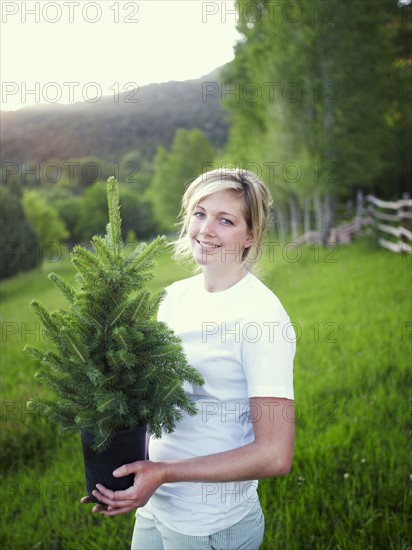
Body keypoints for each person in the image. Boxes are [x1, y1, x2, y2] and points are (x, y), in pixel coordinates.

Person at [81, 168, 296, 549]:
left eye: (225, 219)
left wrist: (163, 472)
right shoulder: (174, 298)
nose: (206, 229)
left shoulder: (261, 318)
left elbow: (275, 455)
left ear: (251, 235)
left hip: (210, 525)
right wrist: (120, 469)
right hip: (154, 508)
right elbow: (154, 400)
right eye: (200, 213)